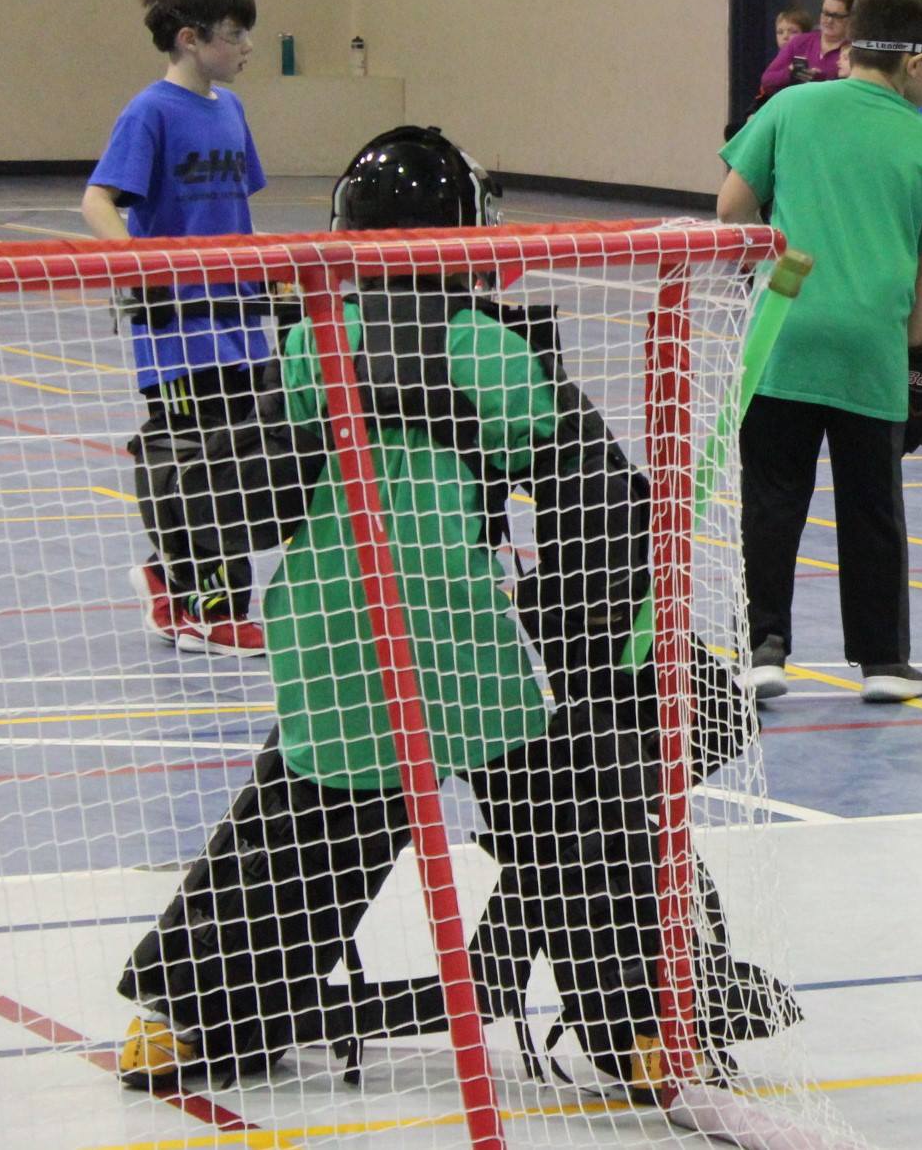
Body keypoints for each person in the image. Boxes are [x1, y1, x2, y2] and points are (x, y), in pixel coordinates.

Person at [116, 128, 785, 1097]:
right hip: (461, 629)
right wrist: (587, 630)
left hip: (330, 631)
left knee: (304, 815)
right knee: (576, 813)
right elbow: (597, 500)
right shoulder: (494, 349)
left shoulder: (313, 342)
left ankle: (187, 1015)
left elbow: (246, 493)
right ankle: (646, 1022)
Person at [719, 0, 922, 704]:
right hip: (871, 350)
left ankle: (764, 648)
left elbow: (732, 210)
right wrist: (917, 361)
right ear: (915, 63)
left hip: (785, 338)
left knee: (772, 501)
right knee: (871, 509)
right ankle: (884, 662)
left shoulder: (790, 107)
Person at [82, 0, 270, 659]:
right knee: (202, 463)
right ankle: (213, 607)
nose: (247, 46)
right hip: (178, 328)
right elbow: (97, 201)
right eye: (234, 35)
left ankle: (169, 578)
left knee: (247, 459)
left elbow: (235, 212)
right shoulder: (150, 112)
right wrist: (141, 267)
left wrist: (263, 283)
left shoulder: (231, 110)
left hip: (239, 319)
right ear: (190, 39)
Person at [758, 0, 855, 96]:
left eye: (836, 16)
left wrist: (820, 79)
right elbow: (767, 81)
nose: (828, 20)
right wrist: (791, 74)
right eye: (825, 13)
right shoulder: (800, 42)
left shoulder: (854, 50)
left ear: (851, 18)